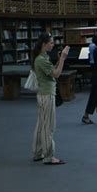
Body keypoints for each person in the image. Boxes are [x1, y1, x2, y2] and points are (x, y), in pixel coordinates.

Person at [31, 32, 69, 165]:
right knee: (49, 126)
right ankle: (48, 156)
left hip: (43, 94)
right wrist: (63, 58)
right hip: (47, 95)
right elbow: (57, 74)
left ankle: (37, 152)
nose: (53, 45)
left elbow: (52, 70)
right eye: (51, 43)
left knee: (41, 124)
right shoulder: (41, 60)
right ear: (44, 44)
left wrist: (59, 60)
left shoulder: (42, 57)